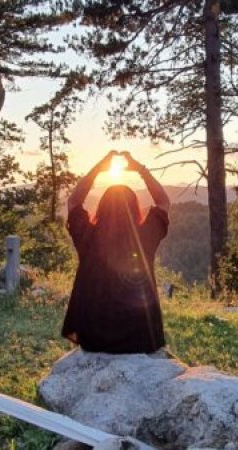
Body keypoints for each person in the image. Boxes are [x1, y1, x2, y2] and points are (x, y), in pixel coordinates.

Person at [62, 151, 171, 354]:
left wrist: (98, 169)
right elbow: (163, 202)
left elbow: (73, 202)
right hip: (139, 338)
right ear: (134, 208)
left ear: (101, 208)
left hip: (94, 338)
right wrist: (140, 169)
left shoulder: (88, 235)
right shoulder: (144, 236)